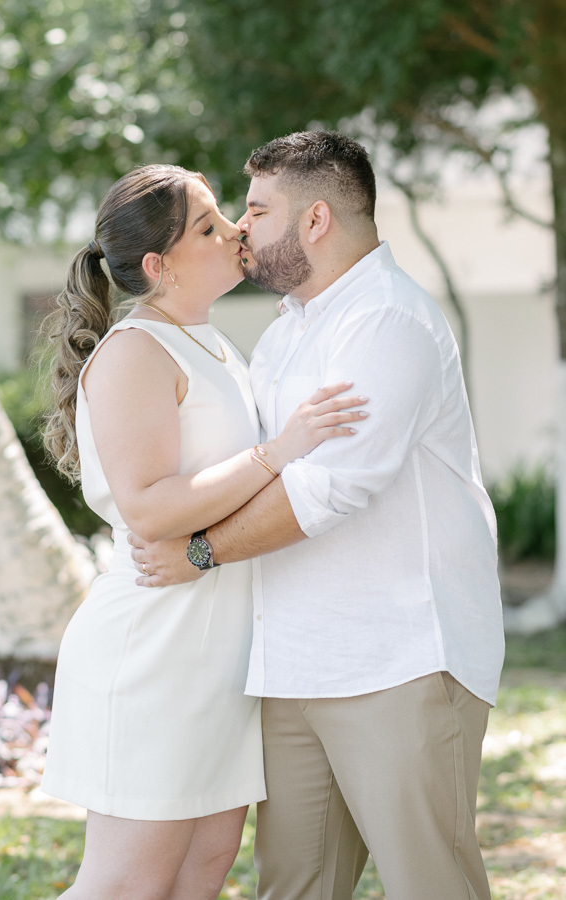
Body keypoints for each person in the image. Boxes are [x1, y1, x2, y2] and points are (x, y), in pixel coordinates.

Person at [129, 132, 506, 900]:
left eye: (258, 210)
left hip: (400, 661)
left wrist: (199, 552)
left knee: (429, 884)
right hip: (293, 662)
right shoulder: (283, 334)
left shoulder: (387, 322)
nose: (239, 228)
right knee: (294, 886)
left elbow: (327, 491)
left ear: (316, 221)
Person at [39, 162, 368, 900]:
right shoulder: (134, 352)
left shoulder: (215, 345)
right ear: (159, 265)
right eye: (209, 226)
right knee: (130, 882)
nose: (236, 232)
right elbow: (150, 508)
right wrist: (275, 451)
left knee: (204, 867)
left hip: (219, 653)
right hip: (153, 649)